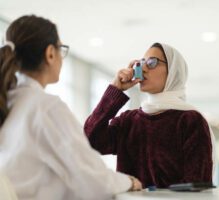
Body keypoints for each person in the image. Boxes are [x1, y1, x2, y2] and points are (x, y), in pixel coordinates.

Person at [0, 15, 141, 200]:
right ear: (50, 53)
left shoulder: (8, 102)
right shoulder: (46, 107)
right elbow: (95, 181)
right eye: (61, 49)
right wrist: (130, 182)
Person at [84, 42, 215, 188]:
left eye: (152, 62)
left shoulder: (190, 121)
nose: (143, 68)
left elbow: (197, 185)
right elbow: (89, 141)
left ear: (173, 71)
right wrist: (115, 89)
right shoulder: (128, 120)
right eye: (141, 63)